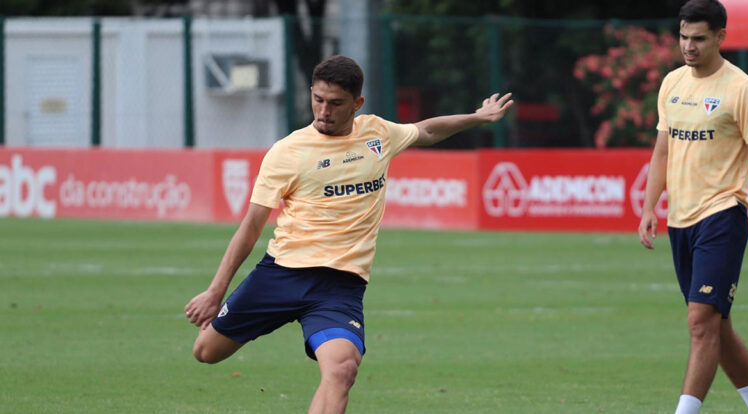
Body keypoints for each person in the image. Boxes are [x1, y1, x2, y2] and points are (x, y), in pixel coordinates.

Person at [184, 55, 513, 413]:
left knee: (342, 369)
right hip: (279, 275)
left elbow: (427, 130)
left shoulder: (377, 134)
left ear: (357, 104)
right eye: (318, 100)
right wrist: (215, 291)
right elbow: (250, 227)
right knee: (206, 352)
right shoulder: (287, 152)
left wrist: (478, 118)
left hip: (338, 286)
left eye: (336, 103)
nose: (324, 111)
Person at [638, 1, 748, 413]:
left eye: (698, 38)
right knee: (717, 327)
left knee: (699, 322)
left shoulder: (742, 89)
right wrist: (647, 209)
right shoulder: (672, 83)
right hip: (681, 221)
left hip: (723, 215)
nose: (688, 46)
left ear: (719, 38)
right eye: (683, 37)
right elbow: (662, 152)